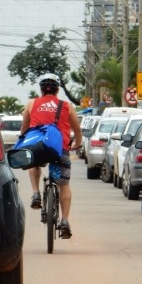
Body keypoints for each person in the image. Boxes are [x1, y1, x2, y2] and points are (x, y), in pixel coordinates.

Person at [20, 74, 84, 238]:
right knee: (64, 185)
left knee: (34, 163)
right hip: (60, 148)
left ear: (41, 91)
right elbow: (77, 130)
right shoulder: (67, 105)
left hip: (38, 147)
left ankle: (36, 193)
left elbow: (24, 128)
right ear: (57, 91)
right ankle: (65, 221)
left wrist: (22, 141)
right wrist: (77, 144)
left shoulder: (31, 103)